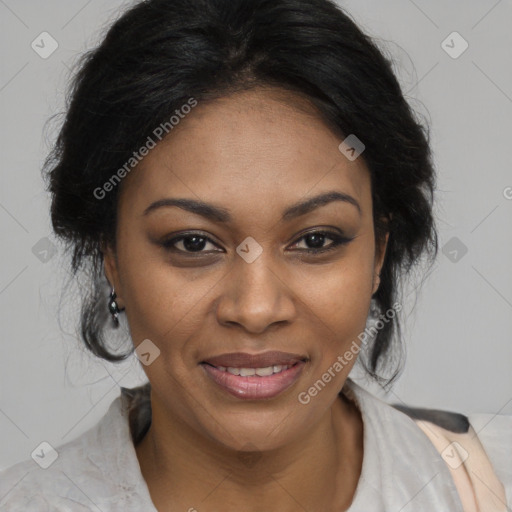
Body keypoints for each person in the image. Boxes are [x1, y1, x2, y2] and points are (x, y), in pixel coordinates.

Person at [0, 0, 510, 510]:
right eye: (193, 243)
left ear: (379, 253)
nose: (256, 309)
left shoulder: (489, 487)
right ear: (110, 256)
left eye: (315, 240)